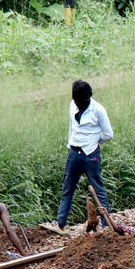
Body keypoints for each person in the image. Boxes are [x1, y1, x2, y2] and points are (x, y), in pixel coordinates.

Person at [50, 80, 113, 232]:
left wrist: (93, 143)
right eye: (76, 101)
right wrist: (70, 145)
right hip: (74, 152)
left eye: (81, 101)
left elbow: (108, 134)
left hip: (90, 154)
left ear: (88, 98)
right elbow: (72, 127)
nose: (78, 104)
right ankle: (60, 223)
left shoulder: (98, 110)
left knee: (99, 190)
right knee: (67, 188)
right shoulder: (72, 105)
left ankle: (106, 226)